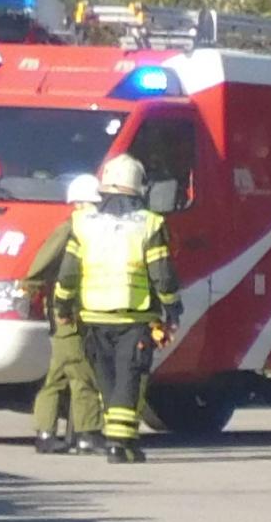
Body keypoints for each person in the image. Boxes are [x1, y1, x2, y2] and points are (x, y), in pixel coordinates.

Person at [70, 156, 173, 464]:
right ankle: (120, 443)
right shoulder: (149, 224)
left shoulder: (83, 223)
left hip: (93, 316)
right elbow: (162, 274)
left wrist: (62, 306)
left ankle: (117, 439)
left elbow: (67, 272)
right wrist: (172, 308)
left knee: (108, 380)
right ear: (139, 188)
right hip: (134, 316)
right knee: (129, 378)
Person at [27, 173, 100, 455]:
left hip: (80, 311)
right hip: (68, 312)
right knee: (82, 374)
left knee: (57, 375)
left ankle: (47, 433)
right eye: (95, 203)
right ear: (80, 203)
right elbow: (41, 264)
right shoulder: (70, 229)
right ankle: (86, 434)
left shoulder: (86, 229)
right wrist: (32, 288)